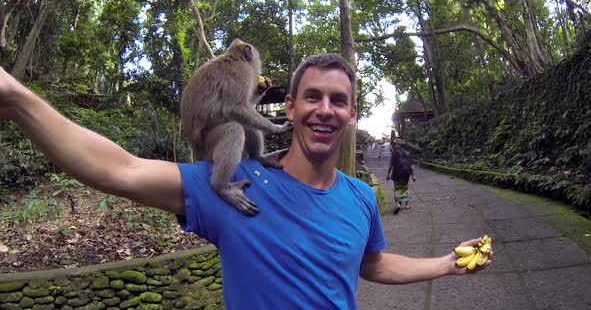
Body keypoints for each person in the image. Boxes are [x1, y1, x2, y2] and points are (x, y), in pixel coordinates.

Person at [0, 54, 488, 310]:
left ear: (351, 115)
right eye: (312, 97)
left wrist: (446, 263)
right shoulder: (231, 185)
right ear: (289, 108)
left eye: (337, 100)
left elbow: (375, 265)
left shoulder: (360, 196)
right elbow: (118, 170)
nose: (324, 109)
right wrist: (17, 97)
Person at [386, 140, 416, 214]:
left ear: (399, 145)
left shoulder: (395, 153)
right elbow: (411, 166)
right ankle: (406, 205)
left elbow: (391, 165)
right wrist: (413, 175)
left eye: (396, 144)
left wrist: (388, 174)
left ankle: (398, 204)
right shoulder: (408, 153)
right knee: (405, 188)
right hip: (406, 174)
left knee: (397, 189)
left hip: (397, 174)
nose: (395, 145)